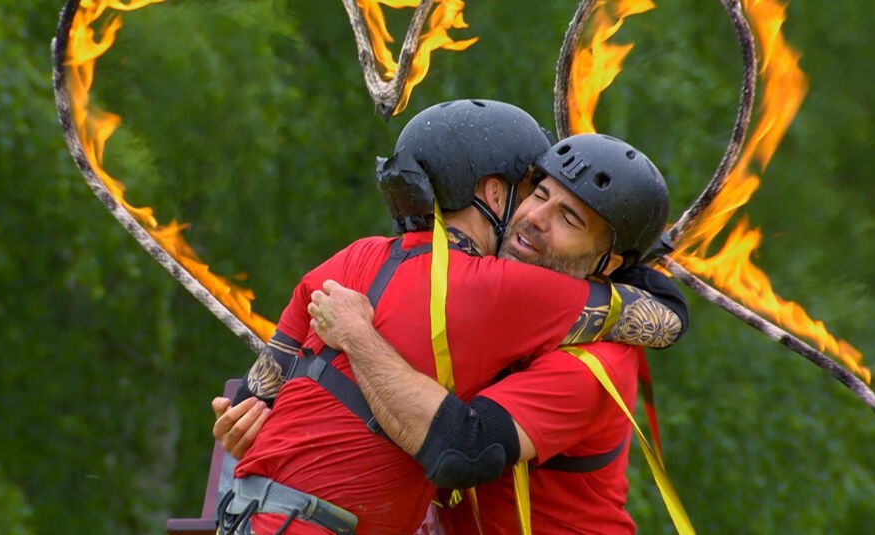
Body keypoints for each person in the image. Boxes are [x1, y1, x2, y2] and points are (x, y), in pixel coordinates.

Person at [215, 100, 685, 534]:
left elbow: (464, 447)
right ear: (495, 195)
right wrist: (257, 419)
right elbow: (667, 317)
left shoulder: (359, 260)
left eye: (570, 219)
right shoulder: (499, 290)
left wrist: (350, 342)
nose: (537, 217)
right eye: (537, 193)